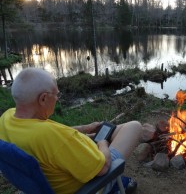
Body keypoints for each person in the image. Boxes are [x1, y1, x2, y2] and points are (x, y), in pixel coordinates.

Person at [0, 67, 142, 194]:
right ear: (43, 98)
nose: (57, 99)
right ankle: (112, 186)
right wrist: (102, 144)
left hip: (58, 172)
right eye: (56, 95)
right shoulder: (50, 136)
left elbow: (51, 134)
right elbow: (103, 168)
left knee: (115, 131)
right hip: (89, 184)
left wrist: (83, 129)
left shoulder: (7, 117)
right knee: (133, 126)